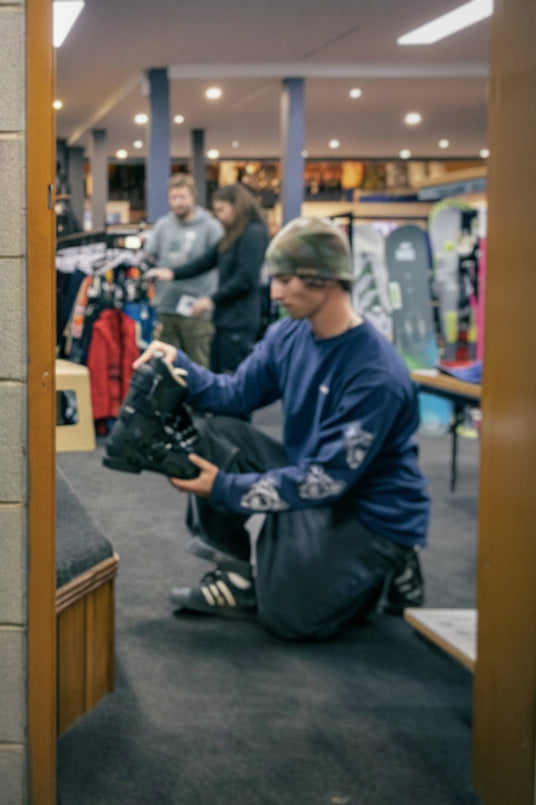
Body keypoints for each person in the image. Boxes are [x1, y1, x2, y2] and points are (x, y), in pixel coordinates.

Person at [135, 215, 431, 641]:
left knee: (289, 617)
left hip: (369, 512)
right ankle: (238, 574)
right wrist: (178, 365)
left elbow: (325, 481)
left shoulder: (375, 375)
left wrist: (225, 488)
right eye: (274, 279)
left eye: (286, 280)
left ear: (326, 279)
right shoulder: (287, 334)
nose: (274, 292)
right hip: (313, 473)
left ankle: (391, 566)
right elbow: (234, 394)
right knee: (216, 433)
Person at [147, 184, 269, 374]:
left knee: (231, 374)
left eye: (222, 210)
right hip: (224, 319)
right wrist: (172, 273)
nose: (219, 216)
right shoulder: (232, 234)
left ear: (236, 206)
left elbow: (246, 278)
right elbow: (206, 261)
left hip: (240, 320)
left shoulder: (253, 234)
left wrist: (211, 300)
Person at [141, 174, 223, 368]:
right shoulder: (163, 225)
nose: (178, 202)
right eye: (173, 197)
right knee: (165, 368)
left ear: (193, 196)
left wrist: (212, 300)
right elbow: (150, 256)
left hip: (197, 311)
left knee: (198, 367)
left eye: (182, 197)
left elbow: (222, 264)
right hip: (166, 307)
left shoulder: (211, 227)